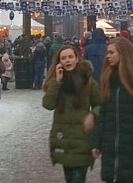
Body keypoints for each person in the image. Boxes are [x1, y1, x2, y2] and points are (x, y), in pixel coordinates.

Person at [92, 38, 133, 183]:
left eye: (111, 52)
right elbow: (103, 114)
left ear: (123, 54)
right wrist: (97, 142)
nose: (107, 56)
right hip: (112, 153)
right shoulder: (108, 81)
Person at [43, 45, 101, 183]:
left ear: (77, 59)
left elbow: (100, 104)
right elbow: (48, 104)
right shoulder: (56, 82)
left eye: (70, 57)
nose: (67, 61)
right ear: (59, 62)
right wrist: (57, 82)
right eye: (63, 58)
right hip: (63, 138)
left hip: (82, 139)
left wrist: (93, 115)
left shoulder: (88, 82)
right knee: (69, 178)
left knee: (78, 178)